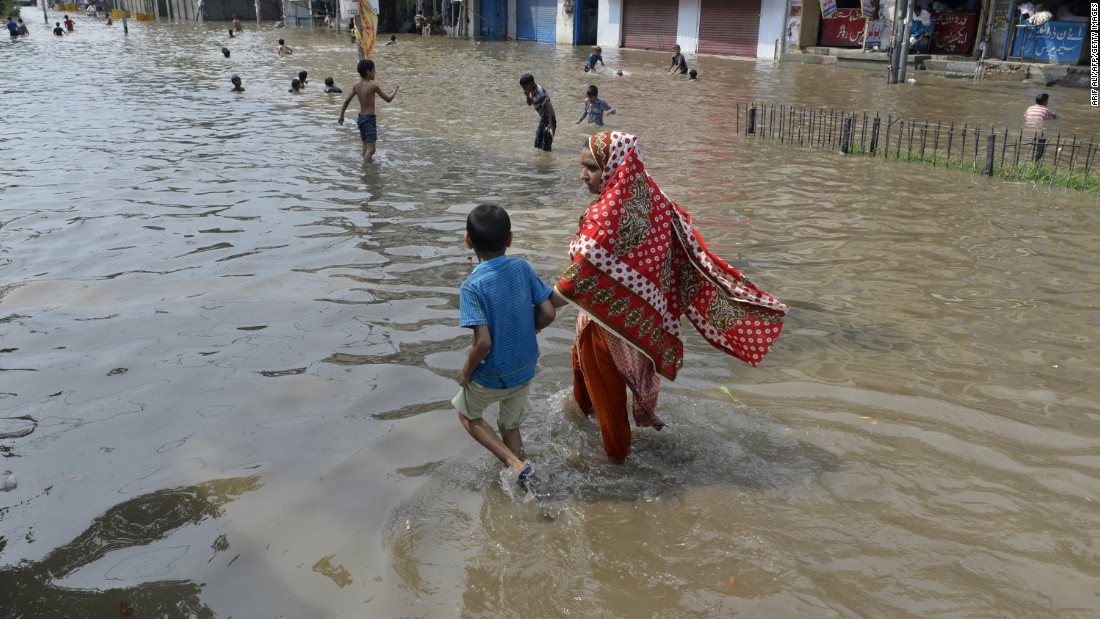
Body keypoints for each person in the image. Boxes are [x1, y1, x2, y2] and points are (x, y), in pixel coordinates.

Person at [552, 131, 788, 462]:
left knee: (607, 403)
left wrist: (543, 308)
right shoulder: (649, 195)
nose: (582, 176)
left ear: (612, 167)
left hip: (607, 322)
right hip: (635, 315)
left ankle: (617, 469)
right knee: (584, 378)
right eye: (582, 166)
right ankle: (592, 429)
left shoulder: (611, 209)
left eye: (590, 167)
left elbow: (584, 270)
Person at [453, 203, 555, 491]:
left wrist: (466, 372)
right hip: (525, 366)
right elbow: (548, 312)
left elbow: (483, 342)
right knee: (509, 424)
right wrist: (532, 327)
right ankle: (528, 482)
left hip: (493, 372)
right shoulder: (522, 267)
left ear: (468, 241)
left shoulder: (471, 286)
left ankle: (516, 465)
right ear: (510, 239)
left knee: (467, 415)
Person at [338, 58, 400, 162]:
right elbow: (388, 99)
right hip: (369, 119)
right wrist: (395, 89)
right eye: (374, 70)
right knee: (371, 149)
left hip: (360, 118)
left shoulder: (356, 86)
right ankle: (366, 169)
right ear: (368, 72)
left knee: (365, 147)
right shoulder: (373, 86)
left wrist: (341, 116)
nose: (375, 72)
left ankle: (364, 166)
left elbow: (347, 101)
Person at [519, 73, 556, 152]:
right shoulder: (530, 91)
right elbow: (529, 104)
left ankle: (546, 163)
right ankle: (539, 162)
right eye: (522, 88)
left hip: (549, 119)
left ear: (531, 84)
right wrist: (527, 95)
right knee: (537, 145)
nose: (523, 89)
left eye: (524, 87)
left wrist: (550, 123)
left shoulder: (539, 91)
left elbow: (548, 106)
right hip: (543, 118)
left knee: (546, 148)